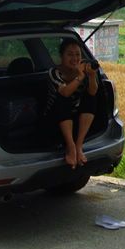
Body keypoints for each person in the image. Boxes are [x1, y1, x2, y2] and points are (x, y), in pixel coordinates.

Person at [43, 39, 99, 169]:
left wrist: (91, 76)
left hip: (74, 118)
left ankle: (78, 145)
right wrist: (79, 77)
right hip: (54, 119)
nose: (75, 58)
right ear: (61, 57)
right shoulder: (54, 72)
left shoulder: (84, 72)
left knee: (91, 98)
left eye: (78, 55)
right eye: (70, 54)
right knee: (63, 99)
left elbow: (93, 91)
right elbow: (65, 92)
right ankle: (71, 147)